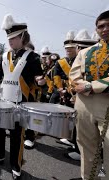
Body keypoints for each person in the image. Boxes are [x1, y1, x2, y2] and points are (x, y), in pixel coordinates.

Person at [0, 14, 43, 180]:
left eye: (13, 37)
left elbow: (39, 78)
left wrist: (40, 80)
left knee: (16, 136)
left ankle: (16, 165)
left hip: (20, 103)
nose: (10, 41)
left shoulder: (33, 57)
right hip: (3, 101)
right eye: (8, 38)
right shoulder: (5, 56)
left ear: (22, 37)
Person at [69, 10, 109, 180]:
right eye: (101, 26)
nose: (105, 29)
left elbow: (84, 84)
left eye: (108, 25)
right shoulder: (85, 53)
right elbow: (73, 76)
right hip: (83, 103)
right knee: (86, 146)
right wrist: (80, 86)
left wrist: (91, 85)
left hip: (106, 103)